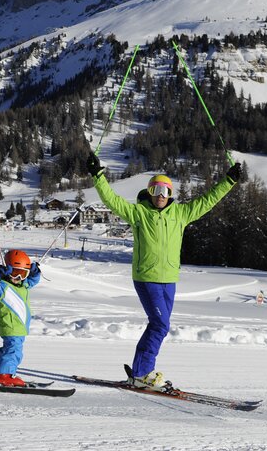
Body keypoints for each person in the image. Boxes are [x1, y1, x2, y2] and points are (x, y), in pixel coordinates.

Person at [87, 150, 241, 389]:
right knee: (160, 325)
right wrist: (98, 176)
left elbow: (208, 200)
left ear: (171, 194)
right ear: (149, 193)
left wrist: (229, 181)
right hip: (146, 277)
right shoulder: (139, 213)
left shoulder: (180, 214)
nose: (160, 195)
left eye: (165, 191)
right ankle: (143, 373)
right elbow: (111, 200)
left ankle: (139, 371)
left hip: (169, 279)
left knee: (158, 325)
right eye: (155, 190)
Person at [0, 249, 42, 386]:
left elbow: (33, 280)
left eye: (23, 274)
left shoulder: (23, 286)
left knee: (5, 351)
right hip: (10, 326)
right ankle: (5, 375)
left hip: (19, 327)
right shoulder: (2, 287)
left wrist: (35, 272)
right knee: (14, 351)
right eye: (15, 273)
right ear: (7, 270)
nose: (18, 278)